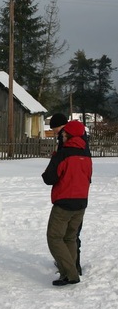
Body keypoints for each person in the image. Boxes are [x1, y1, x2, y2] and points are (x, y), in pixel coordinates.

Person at [42, 120, 92, 286]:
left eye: (63, 134)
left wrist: (54, 159)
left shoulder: (63, 154)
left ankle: (70, 274)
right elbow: (88, 178)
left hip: (64, 201)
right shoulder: (86, 154)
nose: (61, 136)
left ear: (68, 135)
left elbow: (49, 178)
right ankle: (72, 270)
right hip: (81, 201)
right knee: (70, 237)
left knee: (54, 237)